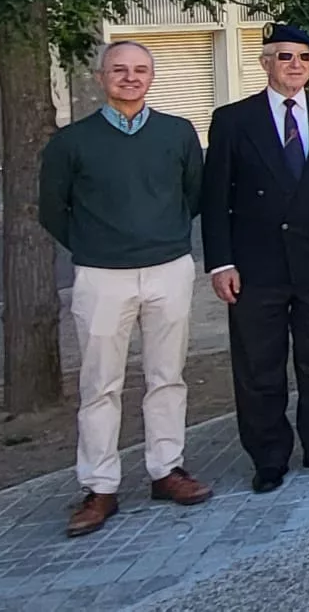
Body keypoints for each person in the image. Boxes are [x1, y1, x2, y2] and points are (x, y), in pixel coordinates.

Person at [41, 42, 212, 536]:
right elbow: (53, 208)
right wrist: (97, 245)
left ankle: (166, 469)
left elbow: (193, 195)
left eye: (140, 70)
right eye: (120, 70)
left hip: (168, 269)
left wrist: (161, 236)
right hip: (101, 276)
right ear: (101, 77)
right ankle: (99, 487)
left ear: (152, 77)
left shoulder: (177, 133)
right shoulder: (72, 142)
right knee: (100, 384)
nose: (130, 78)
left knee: (167, 376)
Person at [203, 24, 309, 494]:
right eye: (284, 57)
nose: (295, 66)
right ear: (265, 62)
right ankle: (269, 456)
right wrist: (220, 262)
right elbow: (216, 198)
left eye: (304, 58)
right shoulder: (234, 120)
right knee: (259, 365)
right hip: (257, 264)